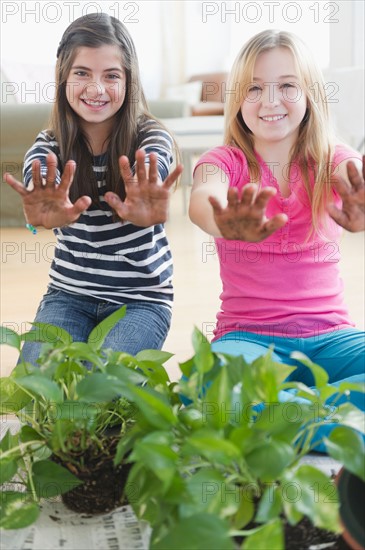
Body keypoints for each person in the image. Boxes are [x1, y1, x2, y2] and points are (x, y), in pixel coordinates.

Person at [189, 30, 365, 450]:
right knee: (215, 387)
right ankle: (334, 420)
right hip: (247, 338)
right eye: (254, 88)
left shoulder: (329, 157)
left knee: (234, 408)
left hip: (332, 337)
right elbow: (202, 198)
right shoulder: (223, 162)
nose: (270, 101)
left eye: (287, 85)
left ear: (309, 95)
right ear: (237, 100)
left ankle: (290, 414)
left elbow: (353, 173)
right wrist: (224, 220)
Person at [4, 13, 182, 364]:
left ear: (129, 81)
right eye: (82, 73)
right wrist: (41, 210)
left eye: (111, 76)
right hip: (69, 295)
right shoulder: (50, 144)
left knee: (100, 388)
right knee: (36, 392)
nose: (96, 89)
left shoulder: (149, 137)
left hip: (141, 300)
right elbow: (38, 170)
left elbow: (156, 162)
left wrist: (152, 190)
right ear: (63, 77)